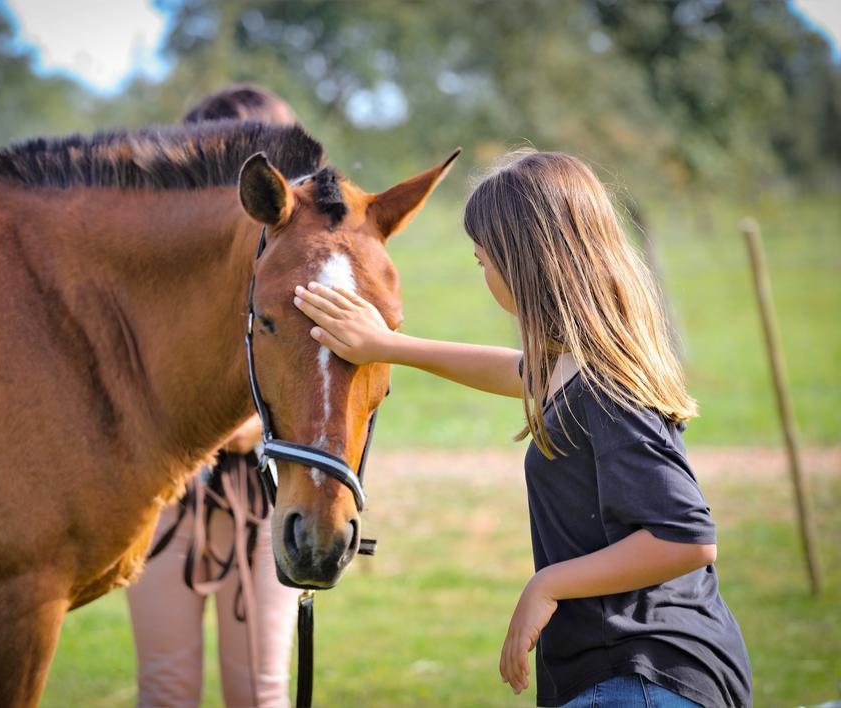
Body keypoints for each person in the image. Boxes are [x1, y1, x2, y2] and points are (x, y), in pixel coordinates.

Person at [291, 150, 753, 707]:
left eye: (483, 260)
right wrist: (387, 346)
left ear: (524, 263)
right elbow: (517, 371)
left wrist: (546, 585)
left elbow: (684, 538)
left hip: (641, 680)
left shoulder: (608, 392)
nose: (482, 274)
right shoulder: (581, 370)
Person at [125, 84, 300, 708]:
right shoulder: (154, 261)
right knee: (166, 690)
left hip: (264, 494)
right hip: (169, 498)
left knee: (259, 692)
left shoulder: (294, 259)